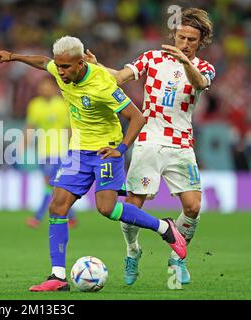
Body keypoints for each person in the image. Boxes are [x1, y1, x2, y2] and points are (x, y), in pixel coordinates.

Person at [0, 36, 186, 292]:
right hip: (77, 152)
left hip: (105, 151)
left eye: (66, 67)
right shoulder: (59, 69)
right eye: (59, 66)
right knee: (57, 206)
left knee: (106, 209)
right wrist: (14, 56)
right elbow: (43, 63)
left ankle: (165, 227)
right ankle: (58, 277)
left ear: (81, 62)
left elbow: (137, 117)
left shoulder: (102, 83)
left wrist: (120, 149)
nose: (60, 72)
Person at [85, 8, 215, 285]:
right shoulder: (152, 58)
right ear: (174, 35)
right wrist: (96, 67)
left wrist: (185, 62)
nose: (186, 43)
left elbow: (200, 84)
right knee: (134, 205)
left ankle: (177, 259)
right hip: (148, 141)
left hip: (181, 144)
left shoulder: (204, 68)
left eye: (192, 39)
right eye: (182, 37)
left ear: (200, 41)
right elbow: (119, 77)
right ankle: (133, 251)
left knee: (193, 208)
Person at [24, 77, 77, 229]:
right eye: (42, 86)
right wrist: (25, 145)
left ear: (54, 88)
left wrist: (72, 147)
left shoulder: (62, 104)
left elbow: (69, 128)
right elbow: (30, 126)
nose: (45, 89)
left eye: (47, 86)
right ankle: (71, 217)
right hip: (42, 151)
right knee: (55, 185)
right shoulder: (35, 105)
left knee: (51, 184)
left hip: (59, 151)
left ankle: (38, 217)